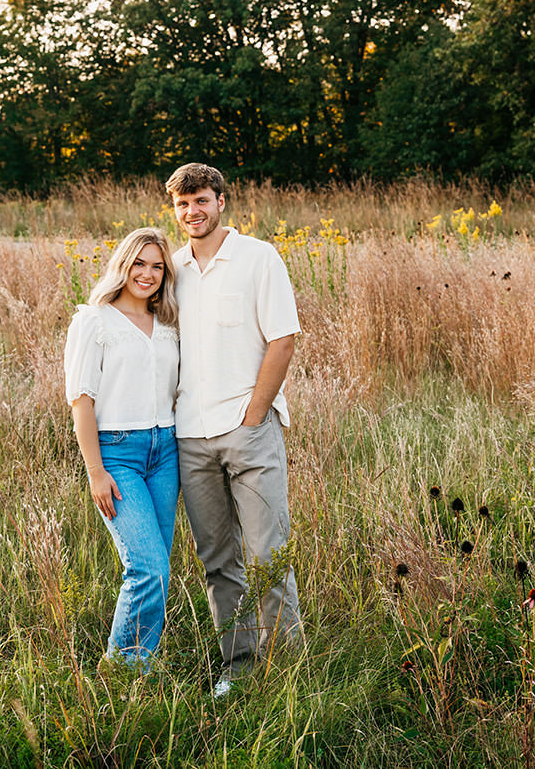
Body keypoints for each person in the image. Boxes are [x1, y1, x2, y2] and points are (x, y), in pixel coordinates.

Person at [167, 163, 302, 696]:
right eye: (182, 204)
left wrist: (254, 415)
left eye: (201, 200)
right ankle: (239, 668)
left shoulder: (258, 257)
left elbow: (283, 339)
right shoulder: (171, 268)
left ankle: (285, 669)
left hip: (248, 431)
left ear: (221, 201)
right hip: (190, 436)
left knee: (268, 555)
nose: (192, 212)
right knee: (218, 561)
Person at [62, 227, 181, 668]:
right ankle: (122, 670)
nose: (147, 274)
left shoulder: (169, 324)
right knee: (146, 567)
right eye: (139, 264)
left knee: (160, 569)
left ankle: (141, 665)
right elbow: (81, 400)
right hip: (118, 454)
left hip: (166, 452)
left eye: (157, 267)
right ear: (123, 265)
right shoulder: (94, 321)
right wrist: (96, 472)